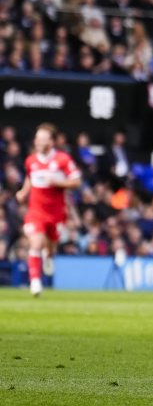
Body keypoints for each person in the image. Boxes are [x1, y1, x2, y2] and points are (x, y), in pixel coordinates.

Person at [15, 123, 82, 296]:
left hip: (56, 213)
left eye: (42, 139)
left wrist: (58, 182)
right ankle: (35, 282)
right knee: (36, 243)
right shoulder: (31, 160)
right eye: (37, 139)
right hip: (36, 211)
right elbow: (30, 177)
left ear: (51, 142)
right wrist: (23, 192)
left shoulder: (62, 160)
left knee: (51, 246)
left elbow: (76, 181)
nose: (38, 142)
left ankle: (48, 256)